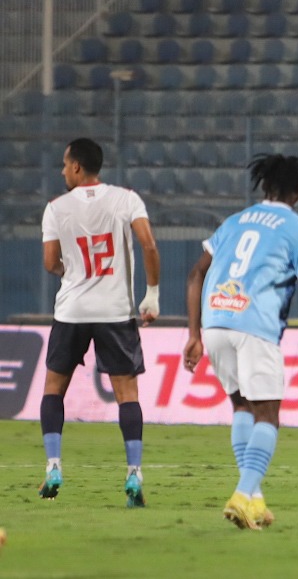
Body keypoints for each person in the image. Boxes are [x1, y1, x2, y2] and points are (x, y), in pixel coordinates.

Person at [182, 153, 298, 530]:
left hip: (216, 321)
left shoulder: (233, 222)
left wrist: (194, 334)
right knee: (267, 414)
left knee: (242, 407)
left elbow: (195, 275)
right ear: (297, 193)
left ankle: (254, 500)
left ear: (264, 187)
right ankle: (241, 496)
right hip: (256, 325)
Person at [39, 137, 160, 507]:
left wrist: (71, 272)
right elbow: (148, 244)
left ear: (77, 166)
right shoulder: (127, 199)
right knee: (127, 394)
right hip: (115, 311)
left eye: (65, 164)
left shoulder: (56, 208)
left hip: (72, 311)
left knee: (53, 389)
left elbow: (50, 262)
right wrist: (152, 294)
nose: (63, 171)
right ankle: (134, 473)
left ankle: (53, 466)